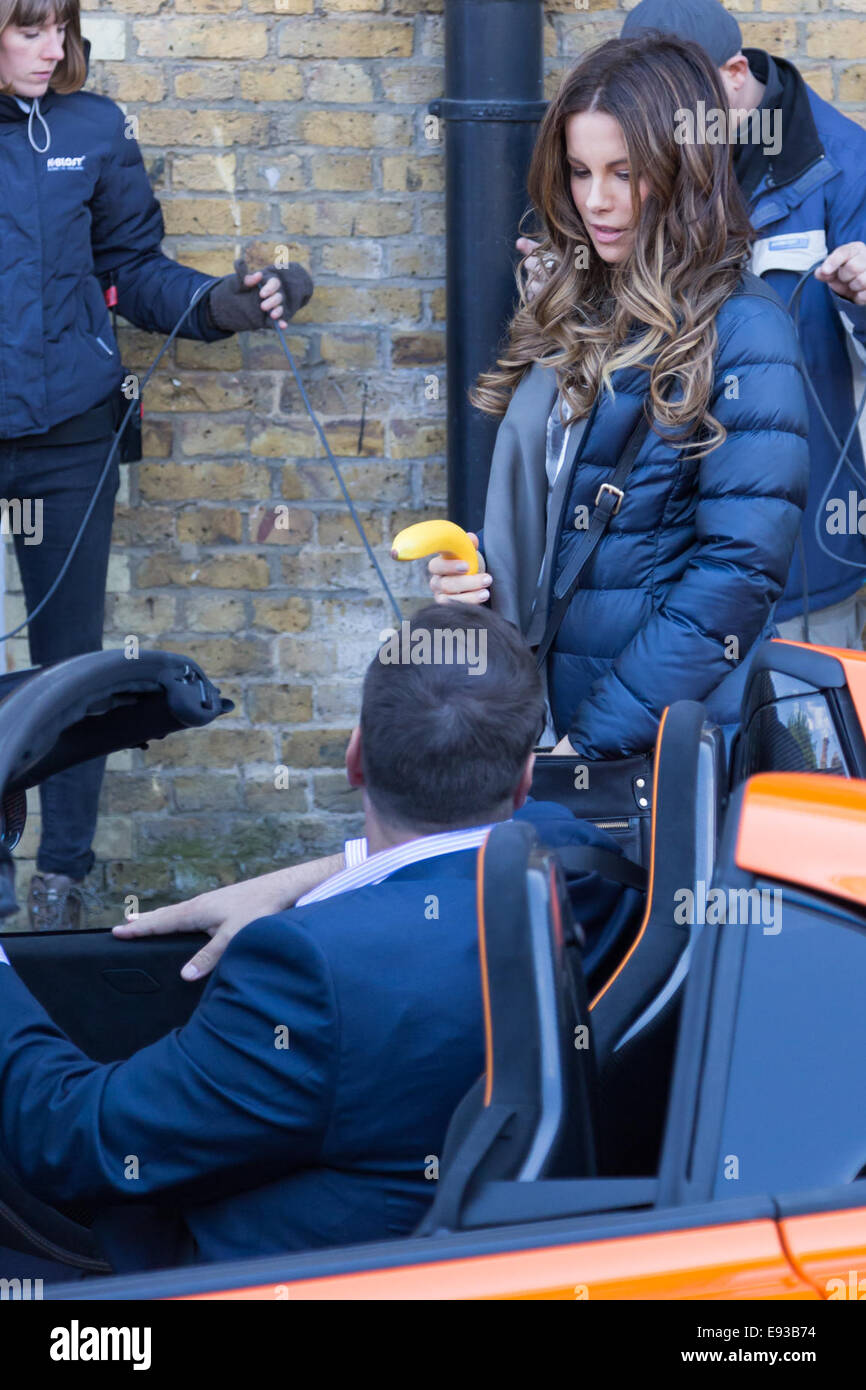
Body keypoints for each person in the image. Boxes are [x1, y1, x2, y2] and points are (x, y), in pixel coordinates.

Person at [0, 605, 636, 1272]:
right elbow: (547, 825)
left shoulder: (311, 970)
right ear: (525, 776)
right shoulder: (581, 868)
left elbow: (74, 1142)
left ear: (354, 756)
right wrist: (321, 873)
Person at [0, 1, 313, 931]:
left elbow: (134, 270)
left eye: (60, 27)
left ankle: (62, 884)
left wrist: (228, 302)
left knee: (68, 667)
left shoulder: (92, 128)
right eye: (27, 28)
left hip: (68, 435)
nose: (52, 48)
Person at [429, 33, 810, 760]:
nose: (596, 201)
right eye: (578, 172)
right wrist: (477, 583)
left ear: (683, 168)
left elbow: (737, 574)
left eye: (625, 173)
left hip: (647, 753)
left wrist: (591, 745)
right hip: (546, 724)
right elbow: (558, 523)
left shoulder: (747, 330)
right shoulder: (579, 306)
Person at [526, 0, 866, 650]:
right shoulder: (617, 162)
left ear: (734, 74)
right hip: (644, 574)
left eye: (682, 99)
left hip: (805, 562)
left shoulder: (846, 168)